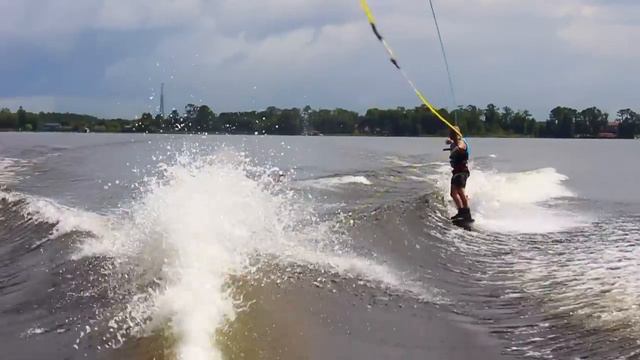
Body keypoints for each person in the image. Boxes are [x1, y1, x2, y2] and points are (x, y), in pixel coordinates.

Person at [446, 126, 472, 222]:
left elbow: (460, 146)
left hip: (462, 171)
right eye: (450, 134)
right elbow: (451, 143)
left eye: (451, 133)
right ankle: (461, 211)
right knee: (453, 193)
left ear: (456, 134)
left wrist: (456, 145)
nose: (450, 135)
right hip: (456, 172)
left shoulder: (462, 142)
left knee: (460, 192)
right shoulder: (453, 143)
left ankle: (467, 213)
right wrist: (450, 141)